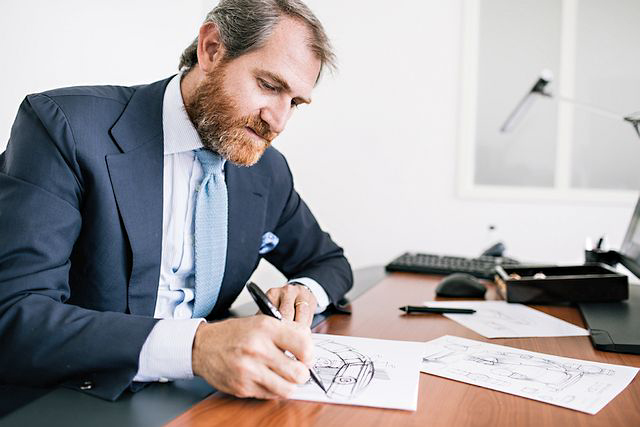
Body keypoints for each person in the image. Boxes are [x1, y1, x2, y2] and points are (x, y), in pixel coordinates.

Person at [0, 0, 352, 401]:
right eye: (270, 86)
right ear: (212, 48)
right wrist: (196, 347)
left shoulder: (267, 171)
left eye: (295, 102)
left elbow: (328, 262)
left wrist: (303, 292)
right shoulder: (63, 127)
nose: (279, 121)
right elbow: (14, 314)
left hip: (201, 402)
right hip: (69, 400)